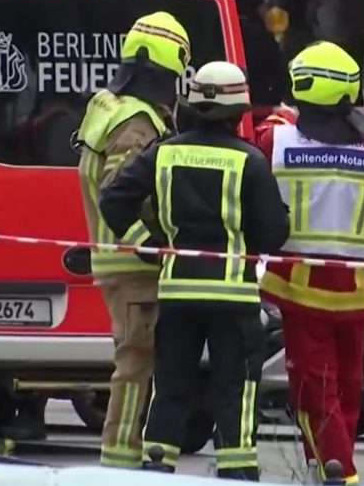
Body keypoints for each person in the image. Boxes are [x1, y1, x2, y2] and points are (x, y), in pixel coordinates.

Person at [99, 62, 291, 480]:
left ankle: (157, 465)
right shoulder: (251, 162)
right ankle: (236, 471)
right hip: (233, 299)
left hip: (177, 292)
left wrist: (147, 244)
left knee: (171, 387)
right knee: (234, 389)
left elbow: (112, 199)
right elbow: (274, 234)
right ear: (239, 109)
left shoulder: (163, 152)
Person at [255, 42, 364, 486]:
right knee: (348, 387)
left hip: (298, 289)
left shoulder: (276, 141)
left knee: (315, 390)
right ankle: (331, 467)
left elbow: (254, 210)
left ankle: (339, 473)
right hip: (359, 292)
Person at [73, 11, 192, 468]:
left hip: (115, 262)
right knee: (136, 367)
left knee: (136, 363)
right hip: (134, 267)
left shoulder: (108, 105)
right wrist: (152, 247)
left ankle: (126, 456)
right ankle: (121, 460)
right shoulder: (139, 123)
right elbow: (117, 192)